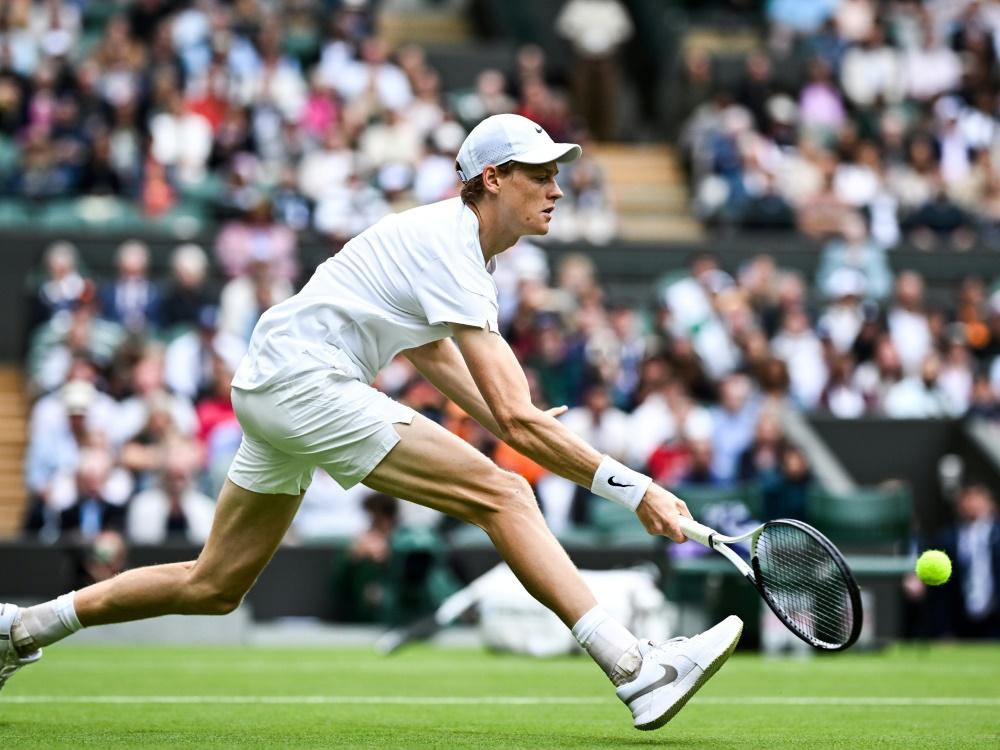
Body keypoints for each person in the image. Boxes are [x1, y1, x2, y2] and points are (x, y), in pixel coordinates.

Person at [0, 114, 742, 731]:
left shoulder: (447, 245)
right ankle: (636, 667)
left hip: (270, 386)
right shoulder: (451, 243)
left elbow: (432, 354)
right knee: (505, 495)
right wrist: (634, 488)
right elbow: (513, 418)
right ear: (492, 180)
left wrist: (503, 415)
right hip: (303, 382)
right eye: (538, 173)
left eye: (557, 172)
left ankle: (22, 629)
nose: (556, 187)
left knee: (213, 584)